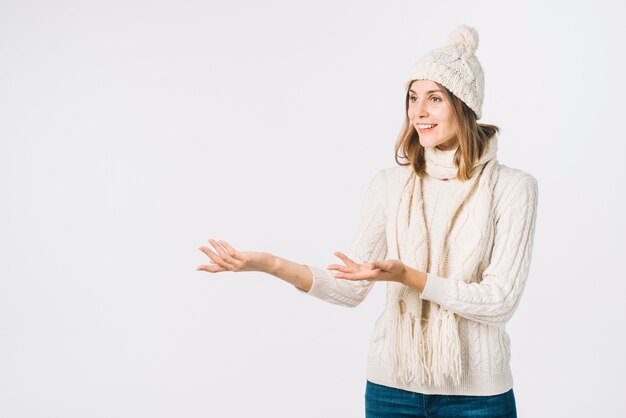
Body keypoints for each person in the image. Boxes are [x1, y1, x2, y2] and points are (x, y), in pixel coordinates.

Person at [196, 24, 538, 418]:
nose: (419, 112)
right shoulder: (390, 185)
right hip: (391, 392)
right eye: (412, 98)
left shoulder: (513, 187)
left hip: (479, 398)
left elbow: (500, 302)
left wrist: (410, 276)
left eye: (434, 98)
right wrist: (268, 264)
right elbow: (349, 288)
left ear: (463, 104)